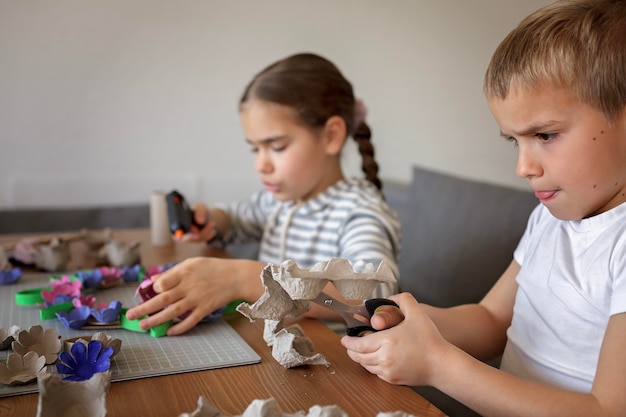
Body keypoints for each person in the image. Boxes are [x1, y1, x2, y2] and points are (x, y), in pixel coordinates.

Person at [341, 0, 626, 416]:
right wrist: (410, 320)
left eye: (545, 135)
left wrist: (439, 366)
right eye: (515, 141)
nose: (523, 167)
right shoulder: (552, 218)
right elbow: (492, 320)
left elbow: (607, 410)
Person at [126, 53, 401, 336]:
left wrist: (242, 278)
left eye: (277, 146)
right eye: (255, 149)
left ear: (331, 136)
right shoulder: (279, 201)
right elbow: (234, 218)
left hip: (333, 364)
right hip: (271, 349)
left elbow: (372, 295)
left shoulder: (359, 212)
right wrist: (211, 220)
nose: (261, 164)